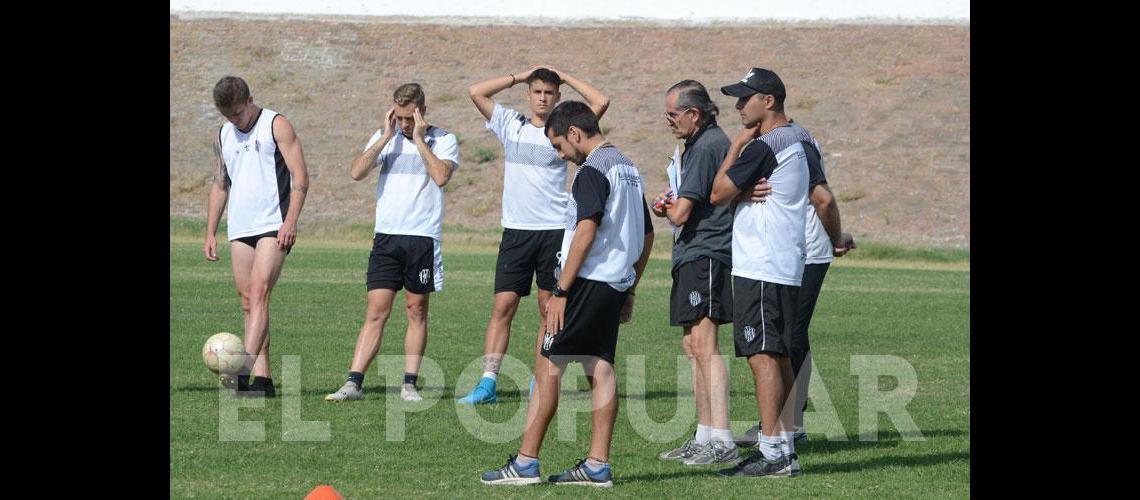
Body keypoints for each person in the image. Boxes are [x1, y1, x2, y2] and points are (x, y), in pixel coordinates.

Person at [480, 101, 653, 487]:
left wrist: (560, 290)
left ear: (575, 133)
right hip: (613, 284)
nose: (560, 155)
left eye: (559, 146)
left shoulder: (592, 171)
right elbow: (648, 235)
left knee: (547, 365)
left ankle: (526, 462)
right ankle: (597, 465)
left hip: (585, 283)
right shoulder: (628, 168)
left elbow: (586, 232)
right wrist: (631, 287)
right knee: (600, 367)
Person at [458, 66, 610, 404]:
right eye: (537, 91)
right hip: (516, 231)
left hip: (554, 231)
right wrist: (520, 75)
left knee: (547, 308)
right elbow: (476, 91)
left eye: (549, 92)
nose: (542, 97)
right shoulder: (511, 125)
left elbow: (602, 101)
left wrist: (567, 77)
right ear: (529, 94)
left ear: (557, 97)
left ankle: (539, 381)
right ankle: (487, 384)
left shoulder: (564, 131)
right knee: (503, 305)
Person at [324, 83, 459, 402]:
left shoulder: (444, 140)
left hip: (422, 238)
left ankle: (409, 383)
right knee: (376, 310)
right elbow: (357, 172)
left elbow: (441, 176)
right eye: (398, 117)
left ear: (422, 111)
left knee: (416, 310)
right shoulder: (385, 136)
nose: (403, 124)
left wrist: (420, 140)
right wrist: (386, 136)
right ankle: (353, 383)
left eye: (409, 117)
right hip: (387, 237)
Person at [709, 67, 811, 478]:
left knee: (762, 354)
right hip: (782, 261)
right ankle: (783, 446)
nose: (738, 105)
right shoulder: (797, 139)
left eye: (745, 98)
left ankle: (773, 454)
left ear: (768, 101)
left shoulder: (765, 144)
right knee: (779, 354)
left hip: (763, 263)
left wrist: (735, 148)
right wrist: (742, 192)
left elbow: (717, 194)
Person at [650, 80, 739, 465]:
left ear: (694, 114)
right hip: (693, 253)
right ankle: (704, 435)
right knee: (692, 346)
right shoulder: (699, 146)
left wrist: (667, 208)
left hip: (706, 253)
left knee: (705, 345)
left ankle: (722, 438)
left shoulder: (705, 147)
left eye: (673, 114)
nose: (668, 121)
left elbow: (683, 213)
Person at [204, 75, 309, 398]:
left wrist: (290, 221)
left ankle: (241, 372)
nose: (234, 121)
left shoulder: (276, 124)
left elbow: (300, 176)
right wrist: (210, 231)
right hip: (240, 226)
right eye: (228, 116)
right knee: (248, 301)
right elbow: (221, 184)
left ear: (250, 101)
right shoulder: (224, 134)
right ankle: (263, 381)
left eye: (237, 113)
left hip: (273, 223)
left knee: (260, 292)